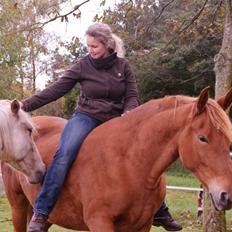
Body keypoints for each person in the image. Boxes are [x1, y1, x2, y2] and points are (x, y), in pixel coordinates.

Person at [21, 22, 182, 232]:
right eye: (88, 46)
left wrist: (129, 113)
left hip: (116, 120)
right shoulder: (82, 65)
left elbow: (132, 96)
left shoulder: (123, 66)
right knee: (65, 153)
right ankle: (41, 213)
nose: (90, 50)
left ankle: (160, 211)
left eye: (94, 46)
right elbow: (55, 90)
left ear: (107, 45)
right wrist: (24, 105)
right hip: (86, 117)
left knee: (143, 157)